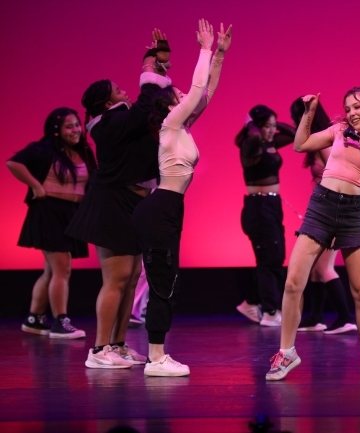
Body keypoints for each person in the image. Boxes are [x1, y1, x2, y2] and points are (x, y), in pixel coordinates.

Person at [266, 84, 360, 381]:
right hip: (322, 207)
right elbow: (300, 145)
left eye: (357, 107)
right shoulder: (337, 130)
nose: (351, 113)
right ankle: (286, 353)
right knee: (293, 282)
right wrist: (309, 114)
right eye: (348, 108)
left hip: (354, 212)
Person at [66, 29, 173, 369]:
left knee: (131, 278)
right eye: (116, 89)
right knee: (116, 278)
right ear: (107, 102)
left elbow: (151, 105)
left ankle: (119, 344)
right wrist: (146, 67)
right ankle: (99, 351)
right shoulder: (105, 124)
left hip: (134, 203)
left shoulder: (120, 118)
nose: (123, 89)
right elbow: (144, 106)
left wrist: (159, 61)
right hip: (111, 204)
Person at [133, 19, 231, 376]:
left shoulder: (182, 127)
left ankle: (157, 354)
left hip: (169, 208)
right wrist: (203, 49)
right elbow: (195, 89)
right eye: (178, 98)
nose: (185, 98)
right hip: (160, 209)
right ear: (169, 106)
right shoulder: (170, 125)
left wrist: (219, 54)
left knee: (167, 278)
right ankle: (155, 357)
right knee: (161, 279)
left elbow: (207, 93)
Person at [7, 108, 96, 339]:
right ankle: (60, 321)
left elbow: (94, 180)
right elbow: (13, 163)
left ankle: (34, 318)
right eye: (69, 126)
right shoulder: (45, 149)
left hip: (71, 213)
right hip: (48, 212)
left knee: (52, 270)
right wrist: (36, 185)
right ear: (56, 130)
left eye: (77, 125)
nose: (75, 130)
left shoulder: (83, 152)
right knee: (62, 268)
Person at [289, 97, 357, 334]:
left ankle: (346, 317)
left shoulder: (325, 143)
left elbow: (339, 172)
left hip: (332, 209)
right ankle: (316, 317)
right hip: (322, 208)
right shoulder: (319, 141)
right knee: (318, 267)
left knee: (325, 266)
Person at [235, 104, 296, 327]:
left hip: (272, 204)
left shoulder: (269, 143)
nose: (271, 131)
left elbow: (294, 134)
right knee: (269, 259)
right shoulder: (250, 146)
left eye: (273, 127)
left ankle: (251, 302)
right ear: (256, 126)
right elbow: (251, 136)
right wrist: (252, 122)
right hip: (258, 206)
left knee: (275, 257)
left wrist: (274, 123)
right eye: (267, 126)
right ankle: (270, 311)